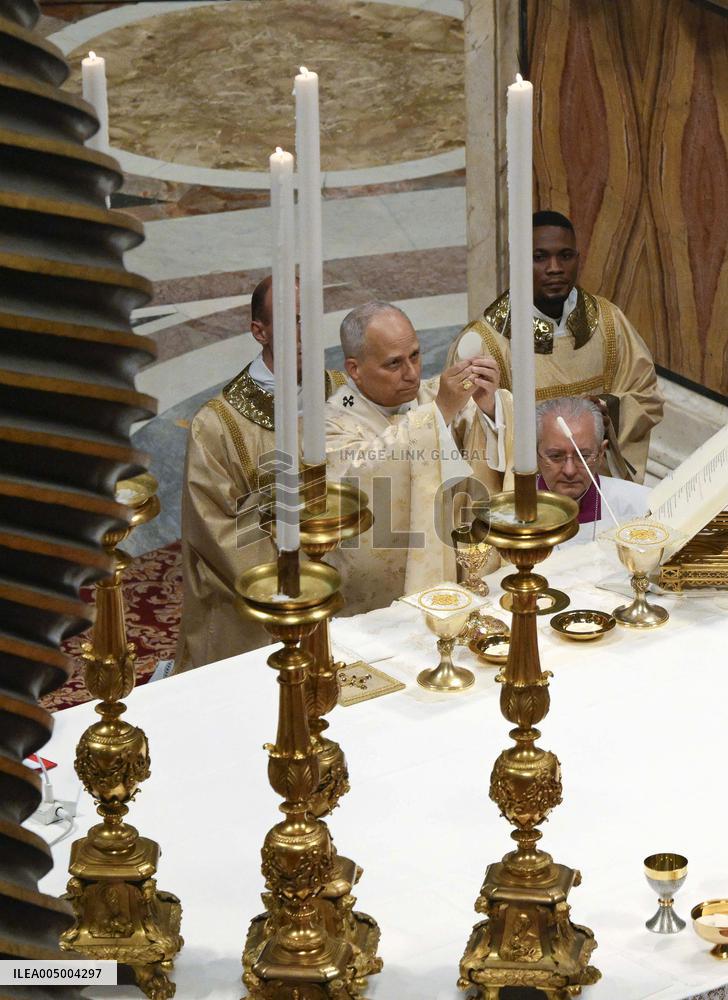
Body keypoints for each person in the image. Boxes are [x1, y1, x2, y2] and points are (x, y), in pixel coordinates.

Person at [174, 275, 346, 672]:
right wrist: (300, 583)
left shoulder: (343, 393)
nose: (306, 333)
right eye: (293, 321)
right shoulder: (216, 425)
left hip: (345, 590)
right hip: (265, 607)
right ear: (260, 331)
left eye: (312, 319)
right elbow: (217, 531)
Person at [325, 300, 513, 615]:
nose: (412, 374)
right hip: (379, 603)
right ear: (354, 369)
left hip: (455, 576)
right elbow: (362, 477)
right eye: (394, 364)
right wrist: (438, 413)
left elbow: (477, 436)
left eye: (415, 355)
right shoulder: (331, 423)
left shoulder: (430, 394)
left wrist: (489, 406)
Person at [447, 210, 663, 483]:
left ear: (578, 259)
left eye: (565, 255)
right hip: (527, 497)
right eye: (539, 257)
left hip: (598, 488)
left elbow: (647, 396)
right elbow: (460, 428)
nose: (554, 268)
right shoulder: (483, 342)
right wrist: (500, 416)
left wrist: (609, 411)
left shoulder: (609, 323)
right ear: (518, 263)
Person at [536, 396, 649, 545]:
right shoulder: (511, 511)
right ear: (536, 453)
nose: (570, 471)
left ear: (601, 453)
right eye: (556, 456)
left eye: (583, 456)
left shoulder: (641, 506)